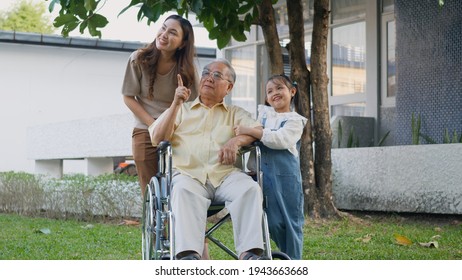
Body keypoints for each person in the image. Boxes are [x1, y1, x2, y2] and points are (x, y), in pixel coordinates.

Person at [150, 59, 266, 260]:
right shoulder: (181, 109)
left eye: (217, 75)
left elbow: (258, 131)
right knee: (183, 190)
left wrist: (236, 141)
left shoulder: (235, 113)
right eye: (206, 73)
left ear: (228, 87)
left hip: (226, 176)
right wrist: (175, 104)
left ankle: (250, 255)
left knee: (250, 188)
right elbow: (157, 138)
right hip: (189, 176)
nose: (209, 78)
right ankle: (188, 256)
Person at [121, 14, 198, 198]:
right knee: (150, 191)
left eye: (172, 32)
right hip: (145, 129)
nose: (164, 34)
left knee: (178, 186)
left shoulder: (187, 69)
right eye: (163, 28)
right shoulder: (138, 59)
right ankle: (154, 225)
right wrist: (153, 125)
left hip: (177, 131)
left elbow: (197, 102)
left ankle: (178, 224)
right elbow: (128, 97)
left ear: (182, 43)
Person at [234, 74, 307, 260]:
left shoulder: (295, 121)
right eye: (270, 91)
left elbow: (279, 139)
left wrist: (251, 131)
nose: (275, 93)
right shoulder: (263, 117)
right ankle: (278, 253)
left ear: (292, 92)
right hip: (262, 177)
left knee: (291, 222)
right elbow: (251, 144)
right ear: (266, 98)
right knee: (272, 222)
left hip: (286, 180)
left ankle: (293, 260)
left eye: (279, 88)